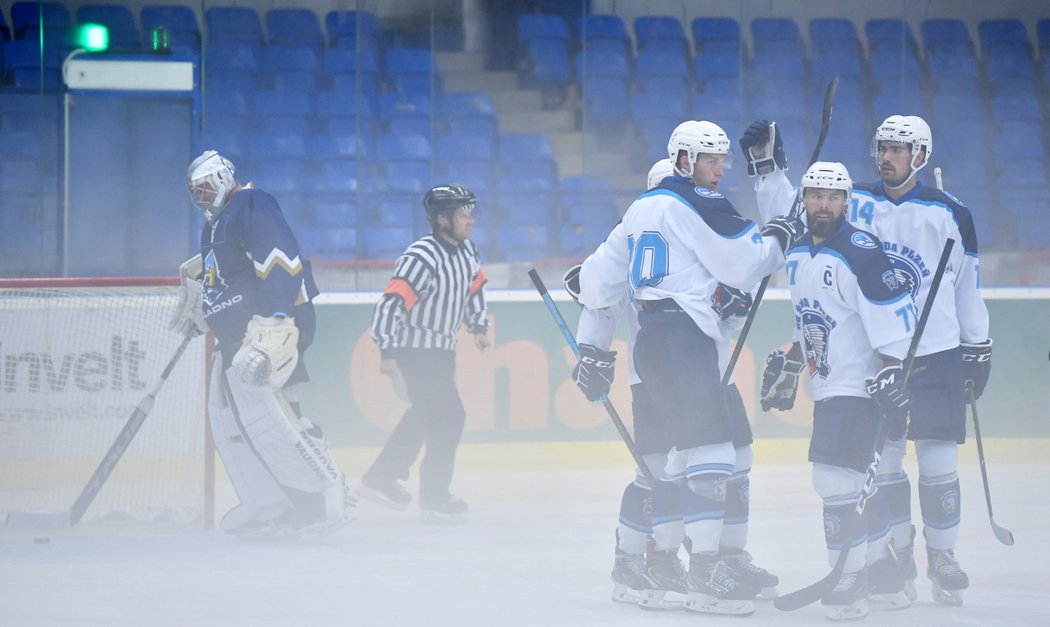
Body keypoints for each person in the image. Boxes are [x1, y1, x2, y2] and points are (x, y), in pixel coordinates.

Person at [748, 116, 992, 607]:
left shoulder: (950, 212)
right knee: (883, 466)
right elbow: (796, 214)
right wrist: (769, 170)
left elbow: (967, 286)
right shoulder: (854, 199)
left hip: (937, 351)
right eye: (882, 148)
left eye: (899, 149)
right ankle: (894, 558)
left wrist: (977, 345)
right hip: (881, 358)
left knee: (939, 459)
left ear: (921, 155)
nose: (887, 157)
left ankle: (942, 557)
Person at [577, 122, 803, 616]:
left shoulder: (640, 210)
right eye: (710, 160)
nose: (719, 171)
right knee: (711, 451)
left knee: (714, 454)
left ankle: (687, 560)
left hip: (663, 348)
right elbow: (748, 263)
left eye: (722, 161)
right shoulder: (695, 203)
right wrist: (779, 236)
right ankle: (704, 570)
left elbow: (594, 286)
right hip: (684, 344)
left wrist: (590, 351)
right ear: (682, 161)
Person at [755, 161, 917, 620]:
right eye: (815, 196)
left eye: (833, 197)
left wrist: (891, 371)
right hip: (828, 384)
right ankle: (886, 573)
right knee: (846, 482)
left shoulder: (861, 250)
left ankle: (851, 575)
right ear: (803, 200)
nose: (823, 205)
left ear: (847, 202)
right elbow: (808, 319)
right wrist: (791, 359)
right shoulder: (799, 253)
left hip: (860, 386)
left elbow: (894, 315)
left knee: (833, 481)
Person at [169, 150, 354, 538]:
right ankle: (272, 504)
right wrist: (204, 310)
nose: (202, 198)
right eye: (196, 193)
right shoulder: (215, 227)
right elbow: (223, 280)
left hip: (270, 327)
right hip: (238, 334)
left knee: (274, 418)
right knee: (232, 423)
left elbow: (280, 261)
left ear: (222, 178)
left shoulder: (252, 203)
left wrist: (276, 319)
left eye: (205, 188)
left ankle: (323, 500)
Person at [359, 183, 489, 523]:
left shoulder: (467, 252)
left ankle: (408, 486)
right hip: (415, 348)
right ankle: (403, 485)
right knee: (446, 413)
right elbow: (392, 302)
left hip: (442, 351)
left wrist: (477, 326)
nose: (471, 220)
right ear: (442, 219)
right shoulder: (421, 256)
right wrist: (387, 350)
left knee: (434, 413)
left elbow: (473, 287)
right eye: (463, 213)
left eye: (470, 212)